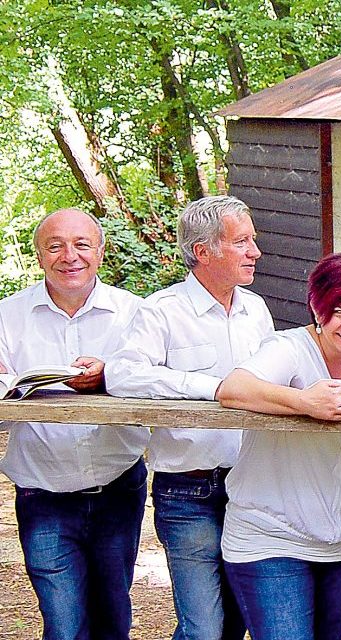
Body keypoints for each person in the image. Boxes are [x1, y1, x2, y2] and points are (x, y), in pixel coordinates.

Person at [107, 195, 273, 640]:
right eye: (242, 242)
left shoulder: (255, 310)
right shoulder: (160, 311)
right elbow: (123, 374)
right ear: (203, 252)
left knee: (240, 622)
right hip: (187, 490)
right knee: (203, 629)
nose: (255, 252)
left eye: (252, 241)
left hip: (254, 486)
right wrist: (212, 388)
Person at [215, 253, 341, 640]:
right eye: (336, 310)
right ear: (315, 307)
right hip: (271, 535)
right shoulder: (289, 348)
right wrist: (306, 403)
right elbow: (233, 389)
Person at [0, 208, 147, 640]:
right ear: (40, 255)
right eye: (55, 245)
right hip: (42, 489)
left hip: (117, 486)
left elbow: (158, 376)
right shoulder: (7, 316)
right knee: (64, 625)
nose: (70, 256)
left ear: (100, 252)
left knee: (113, 616)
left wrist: (113, 375)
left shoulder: (134, 313)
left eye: (82, 244)